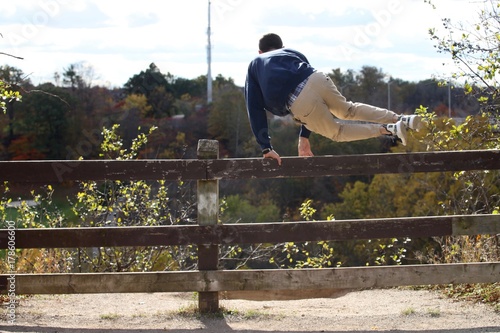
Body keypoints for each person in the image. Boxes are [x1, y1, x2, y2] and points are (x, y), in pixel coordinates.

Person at [244, 33, 422, 166]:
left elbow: (255, 108)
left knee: (338, 132)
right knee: (347, 110)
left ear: (260, 52)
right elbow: (308, 84)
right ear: (281, 46)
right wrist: (304, 136)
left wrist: (266, 147)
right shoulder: (289, 52)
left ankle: (389, 129)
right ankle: (400, 118)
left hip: (298, 100)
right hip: (316, 78)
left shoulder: (255, 64)